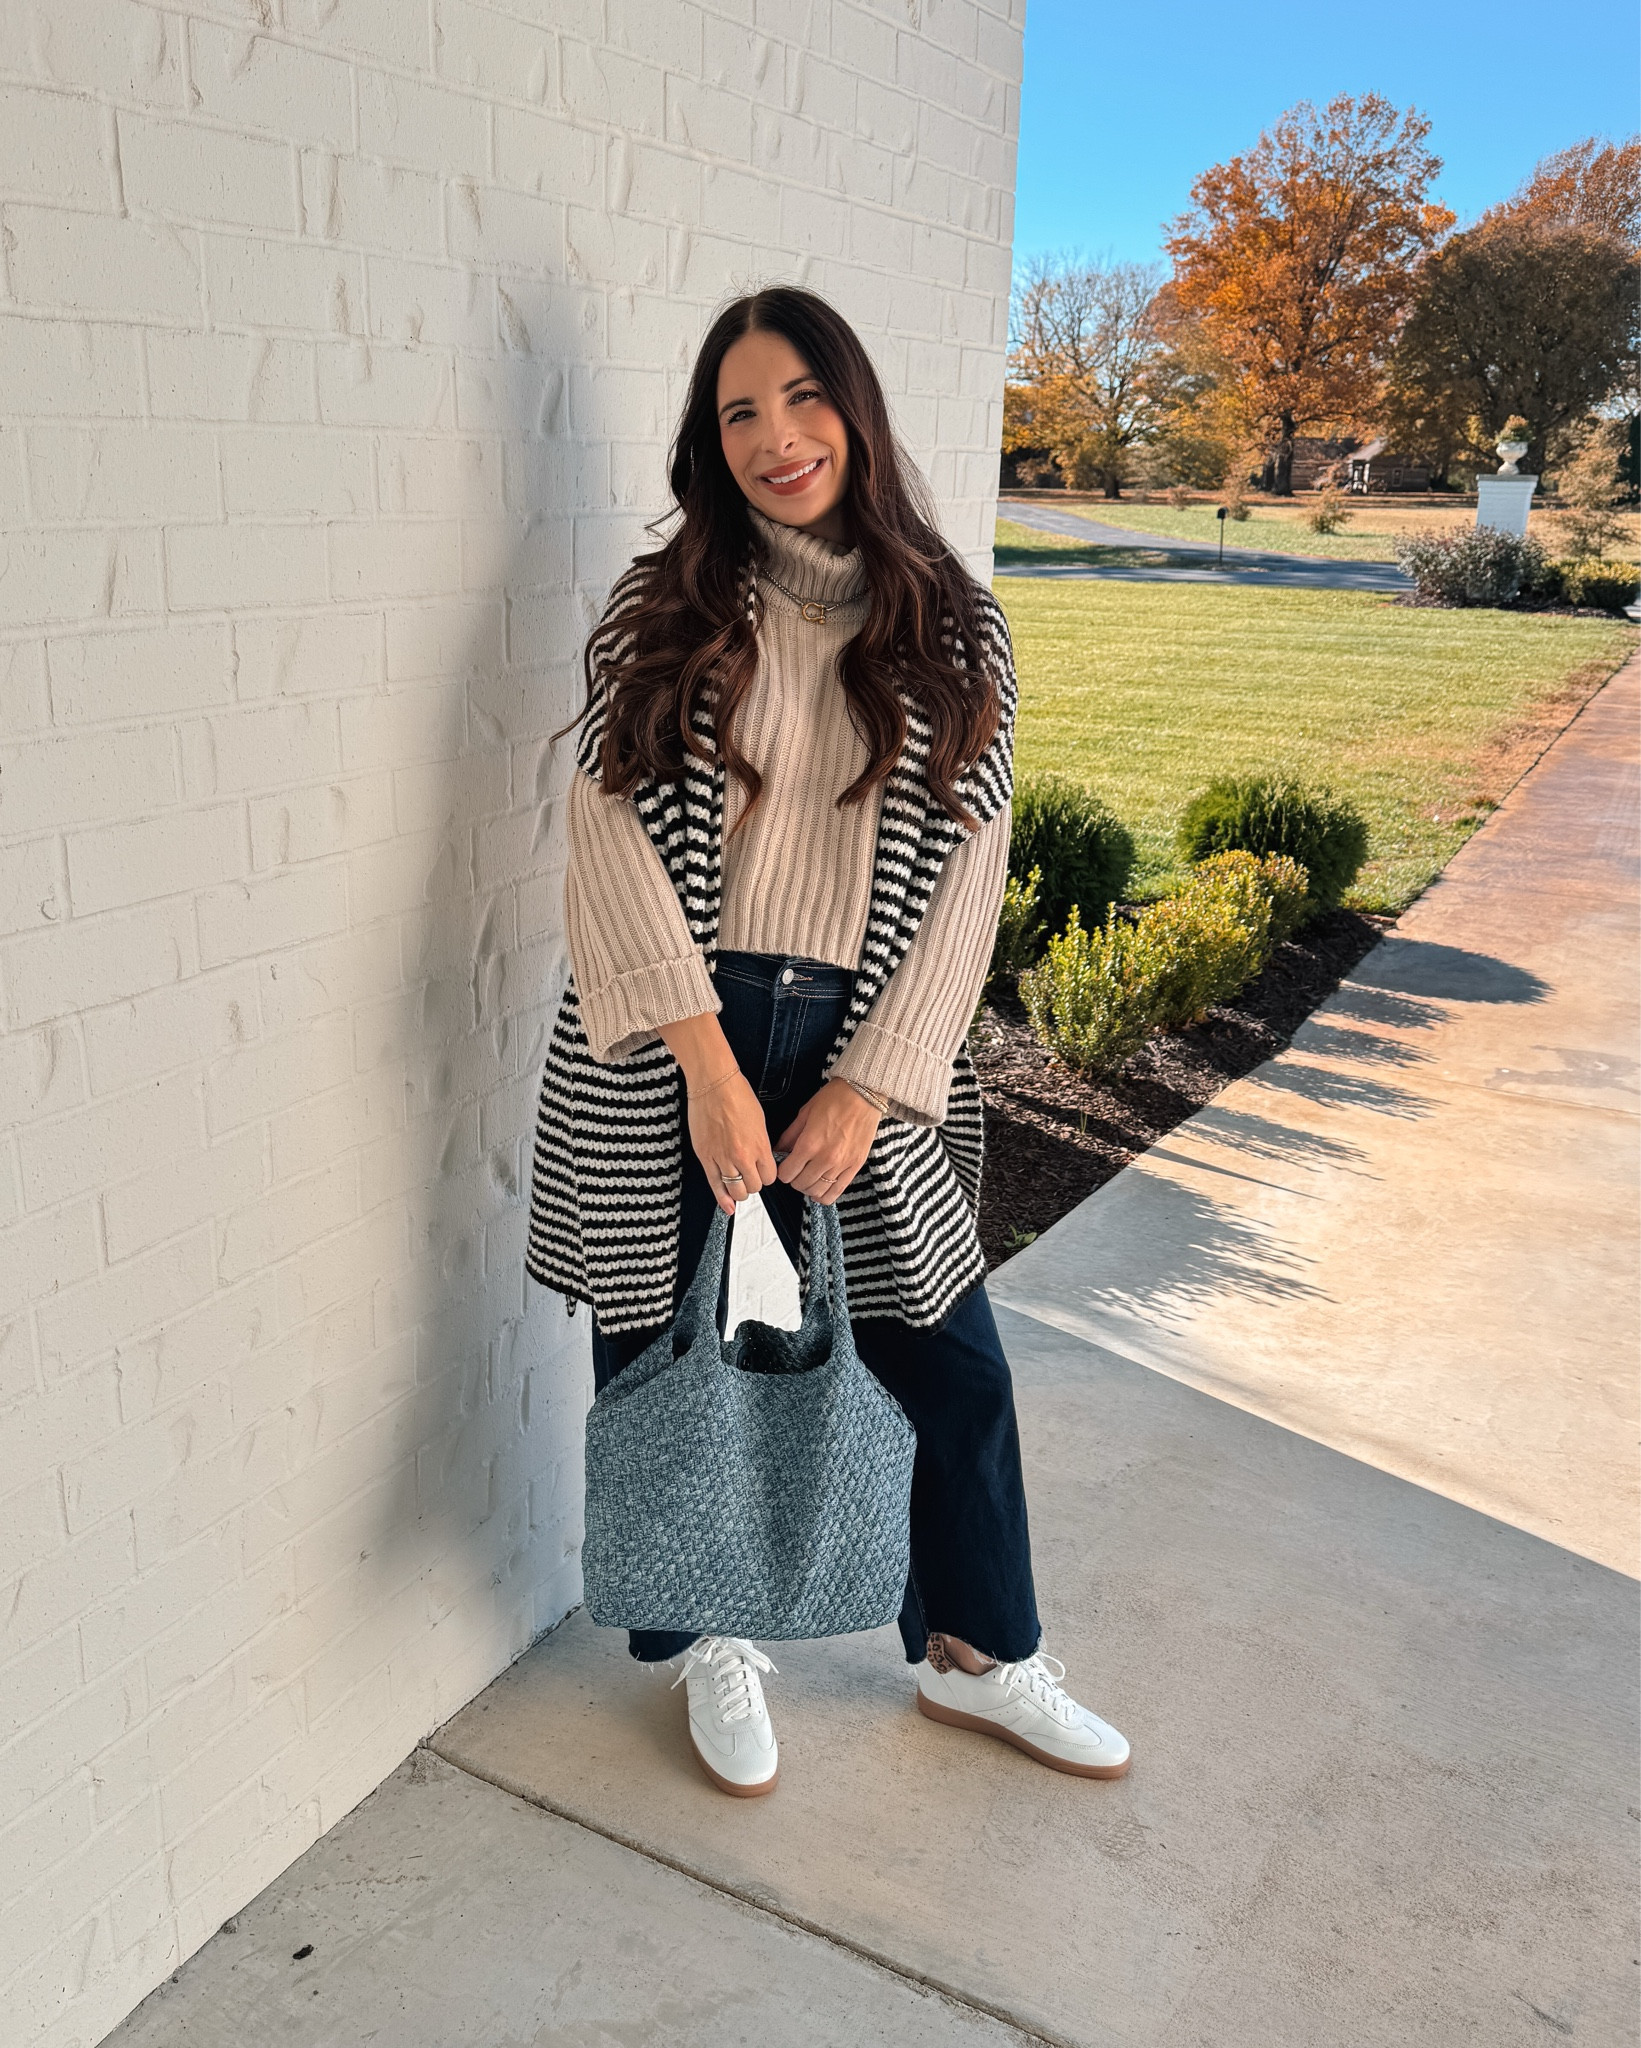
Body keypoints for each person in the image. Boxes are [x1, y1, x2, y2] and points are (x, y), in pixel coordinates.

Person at [527, 285, 1130, 1798]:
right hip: (674, 1028)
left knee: (945, 1361)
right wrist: (708, 1070)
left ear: (852, 410)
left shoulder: (953, 624)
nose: (776, 437)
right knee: (672, 1354)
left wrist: (870, 1078)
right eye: (739, 410)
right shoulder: (660, 612)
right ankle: (707, 1641)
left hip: (867, 1036)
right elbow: (603, 839)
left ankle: (980, 1657)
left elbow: (970, 880)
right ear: (707, 438)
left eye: (801, 398)